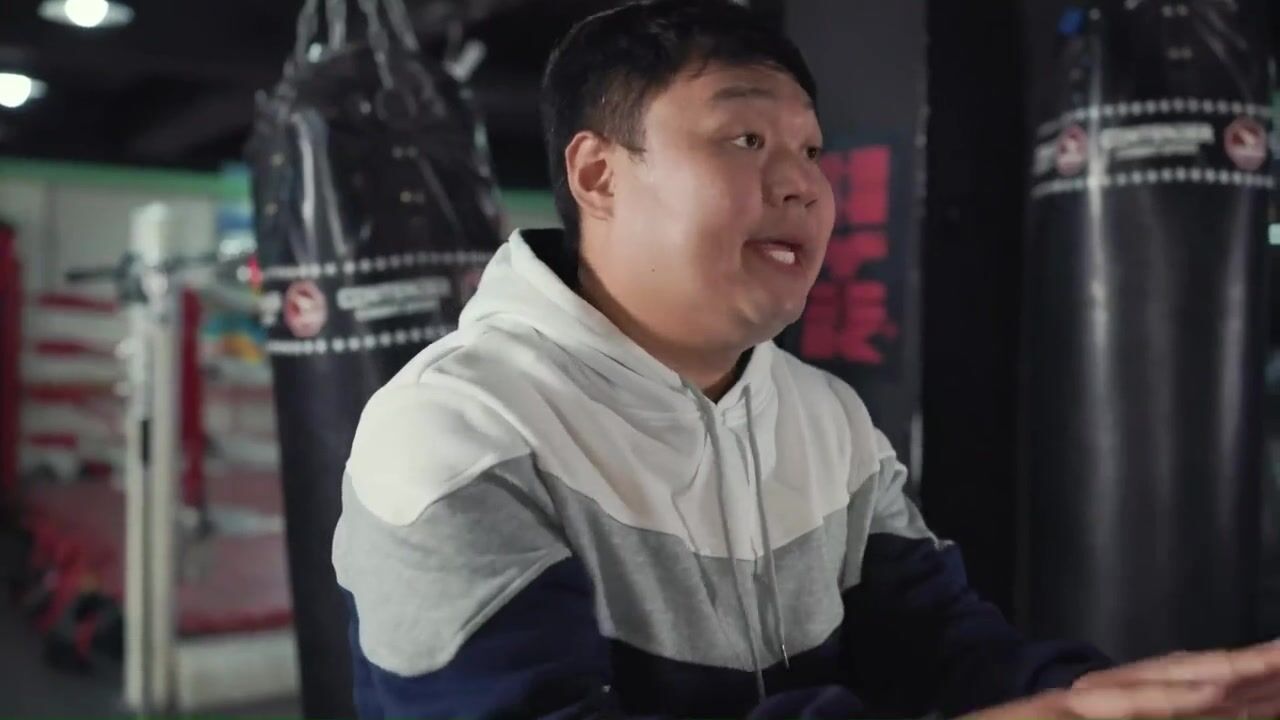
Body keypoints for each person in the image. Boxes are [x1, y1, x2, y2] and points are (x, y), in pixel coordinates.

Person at [332, 1, 1280, 717]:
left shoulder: (826, 420)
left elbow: (939, 646)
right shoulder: (456, 431)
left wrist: (1095, 695)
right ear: (597, 173)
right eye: (745, 138)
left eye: (813, 149)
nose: (801, 184)